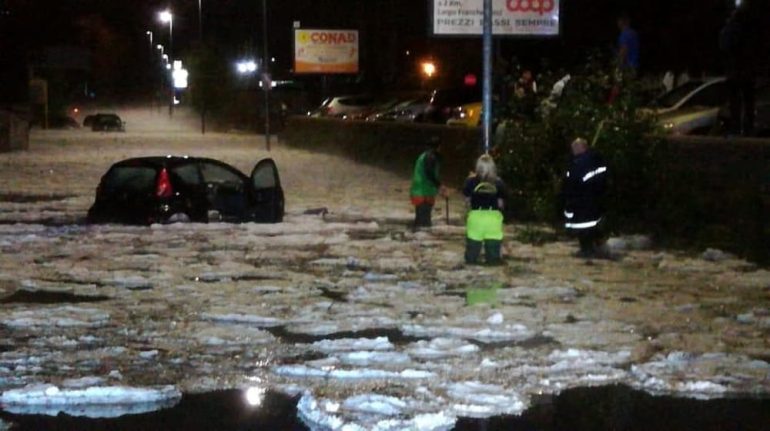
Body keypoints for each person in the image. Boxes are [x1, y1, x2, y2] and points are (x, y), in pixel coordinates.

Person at [563, 138, 608, 258]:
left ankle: (587, 250)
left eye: (575, 148)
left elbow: (576, 181)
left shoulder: (582, 163)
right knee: (591, 225)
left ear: (581, 148)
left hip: (583, 200)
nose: (573, 151)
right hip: (590, 199)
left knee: (583, 226)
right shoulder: (593, 160)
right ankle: (597, 247)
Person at [720, 1, 760, 136]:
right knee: (745, 100)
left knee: (739, 101)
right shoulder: (750, 27)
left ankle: (739, 128)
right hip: (744, 71)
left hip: (738, 71)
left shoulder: (735, 28)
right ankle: (745, 128)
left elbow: (725, 44)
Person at [463, 154, 506, 265]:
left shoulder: (470, 182)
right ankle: (492, 261)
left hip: (476, 220)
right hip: (493, 221)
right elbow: (501, 204)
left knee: (470, 258)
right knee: (494, 259)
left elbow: (467, 202)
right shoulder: (499, 183)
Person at [410, 136, 446, 228]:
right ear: (438, 147)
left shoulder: (424, 156)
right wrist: (439, 186)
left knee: (421, 220)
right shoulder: (430, 157)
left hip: (422, 191)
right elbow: (429, 173)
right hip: (423, 193)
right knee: (423, 224)